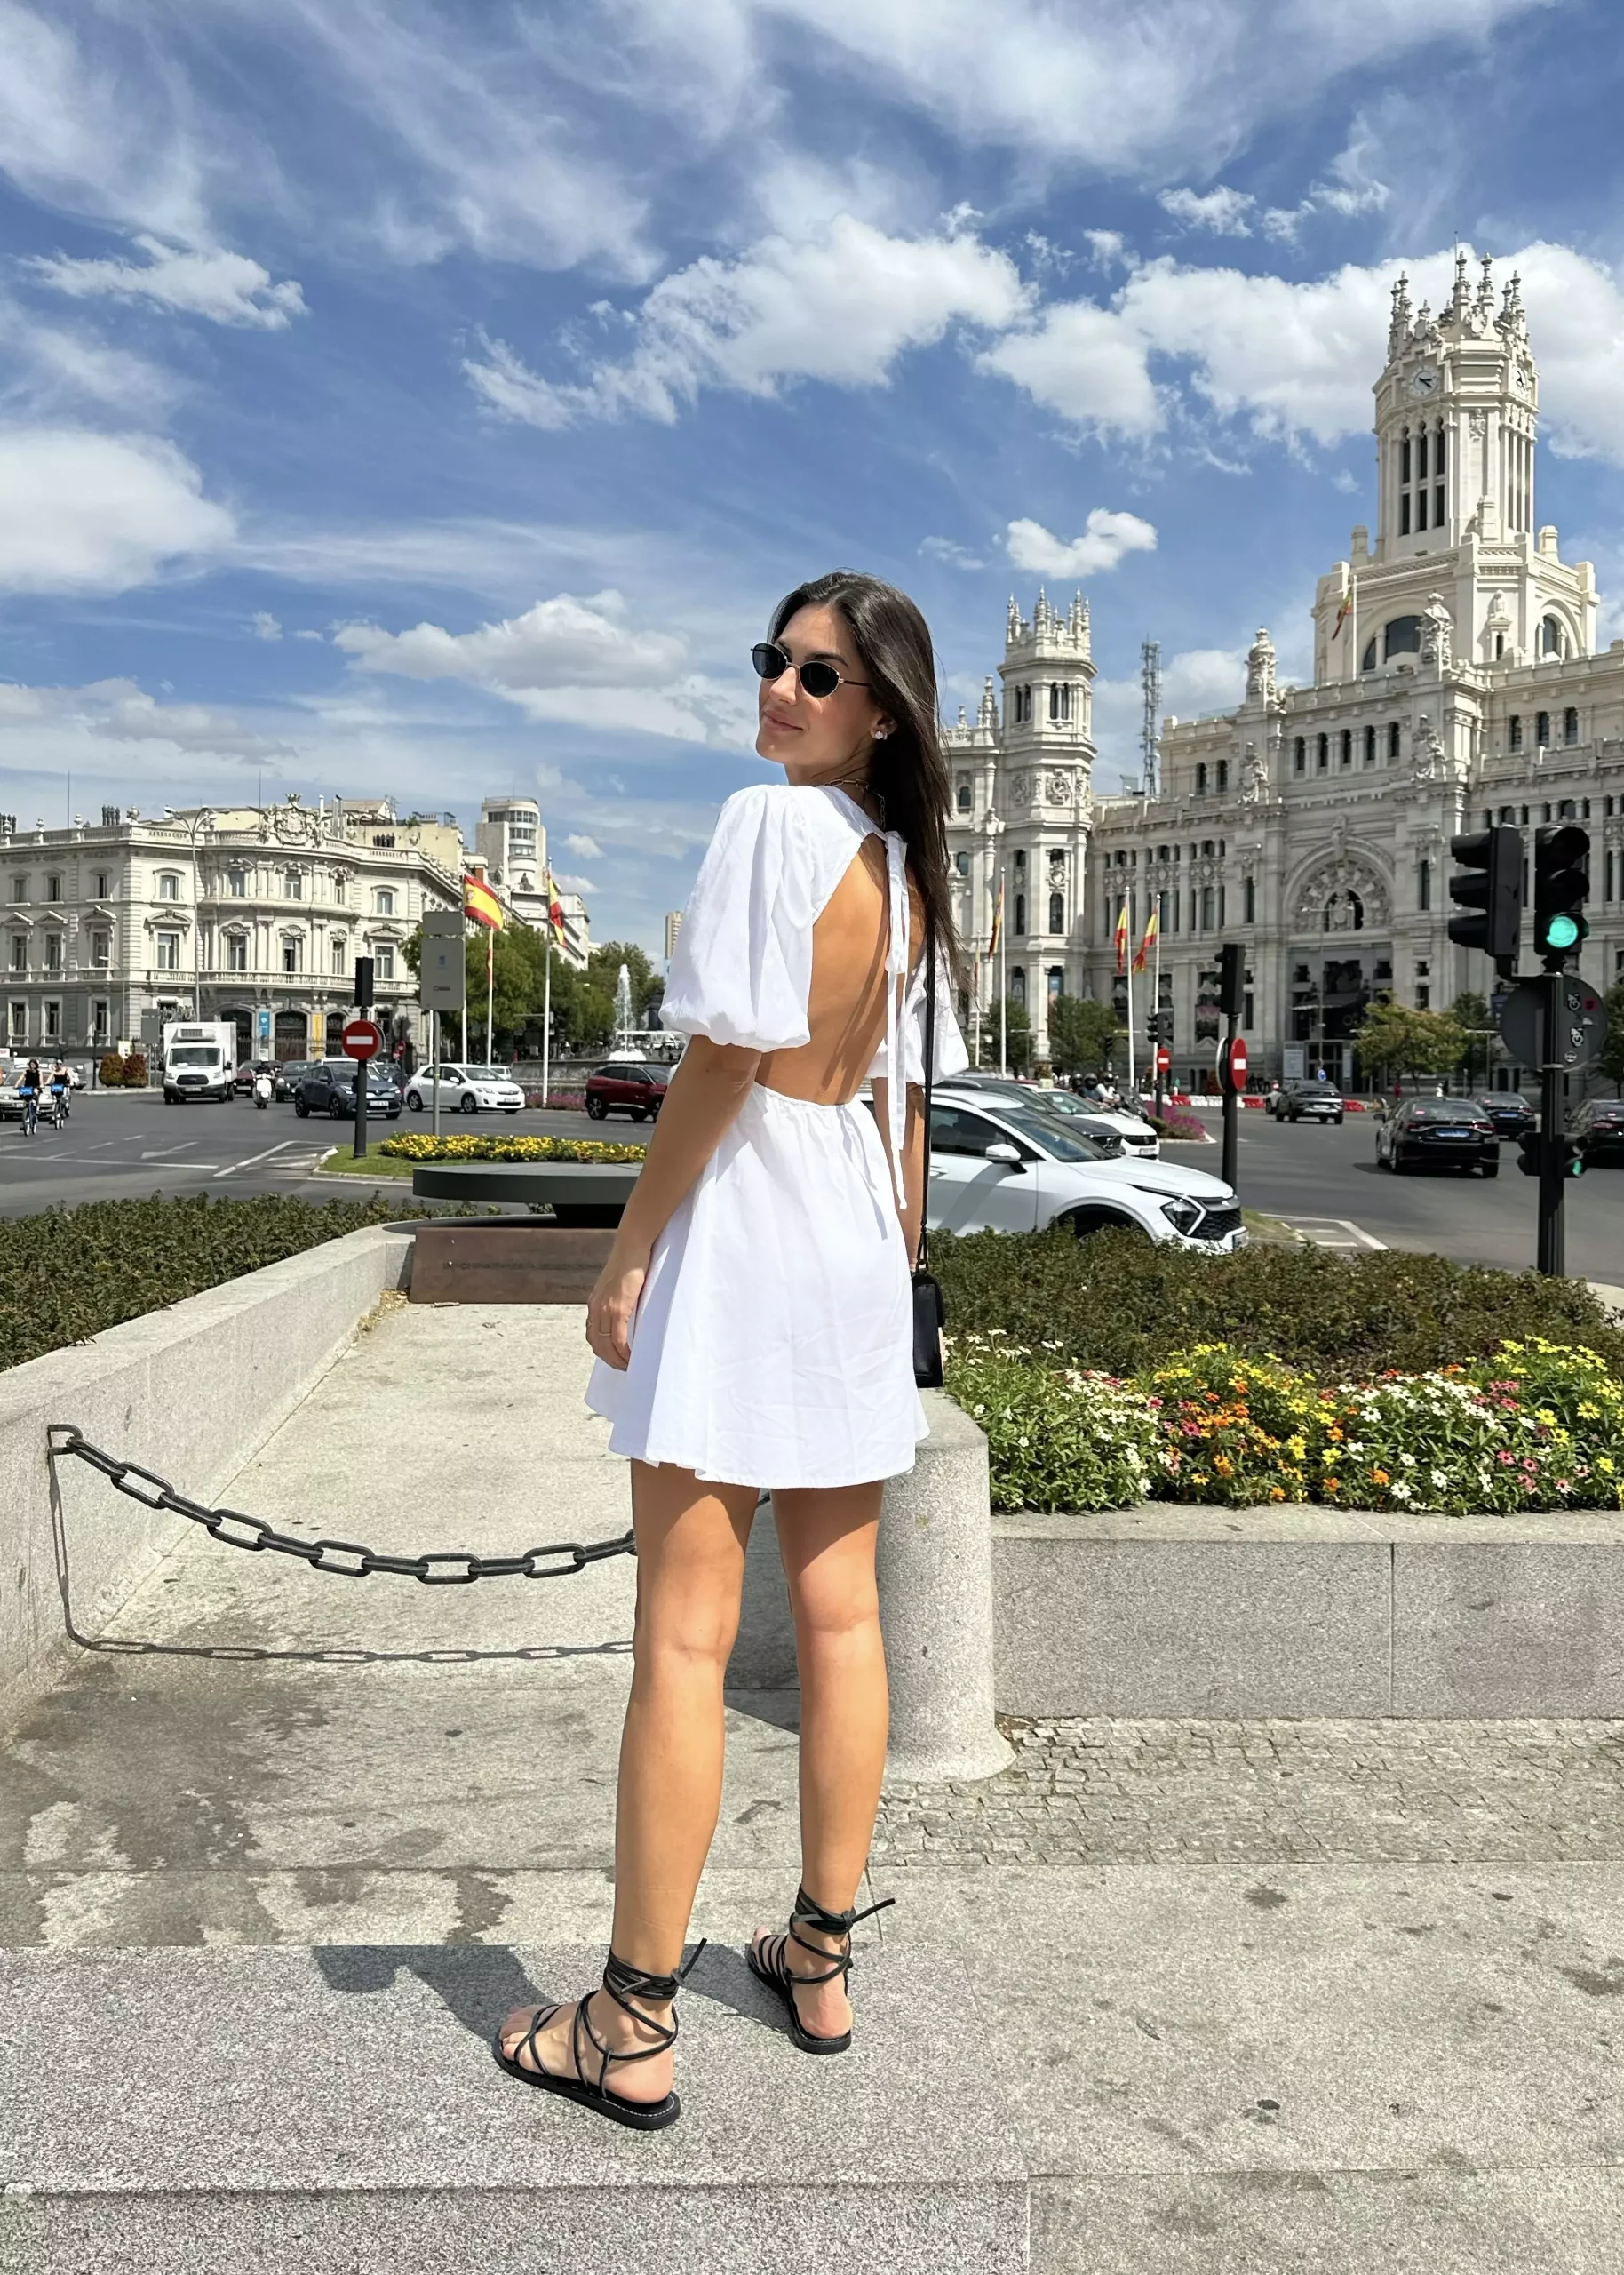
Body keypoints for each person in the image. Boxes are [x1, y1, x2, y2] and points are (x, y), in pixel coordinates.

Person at [493, 571, 967, 2131]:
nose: (780, 688)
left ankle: (629, 2020)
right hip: (849, 1233)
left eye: (819, 675)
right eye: (774, 659)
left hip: (754, 1218)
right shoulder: (904, 875)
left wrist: (630, 1247)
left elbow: (720, 1060)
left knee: (686, 1639)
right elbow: (904, 1107)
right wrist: (896, 1263)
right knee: (843, 1620)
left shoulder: (772, 827)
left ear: (880, 712)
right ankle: (817, 1955)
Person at [18, 1057, 40, 1136]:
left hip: (35, 1087)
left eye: (33, 1064)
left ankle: (37, 1108)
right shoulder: (26, 1072)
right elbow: (20, 1079)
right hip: (27, 1088)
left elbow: (41, 1081)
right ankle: (24, 1121)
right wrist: (17, 1085)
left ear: (36, 1065)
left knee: (36, 1093)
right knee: (24, 1097)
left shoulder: (38, 1072)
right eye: (31, 1064)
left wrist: (40, 1086)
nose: (32, 1066)